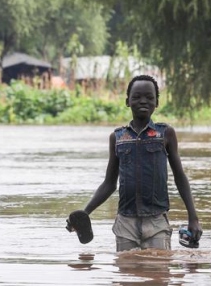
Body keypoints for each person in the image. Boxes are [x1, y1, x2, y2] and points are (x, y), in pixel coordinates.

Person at [68, 75, 202, 251]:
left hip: (157, 221)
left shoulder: (166, 134)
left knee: (159, 275)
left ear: (157, 102)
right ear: (127, 101)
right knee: (126, 275)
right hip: (125, 223)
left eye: (149, 97)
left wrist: (193, 217)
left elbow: (180, 177)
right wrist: (84, 214)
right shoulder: (117, 138)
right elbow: (109, 184)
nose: (143, 101)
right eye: (137, 97)